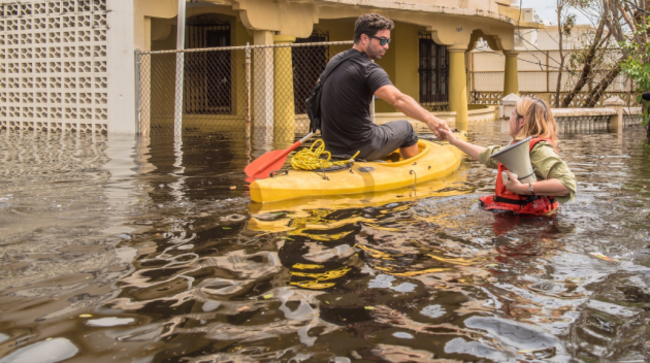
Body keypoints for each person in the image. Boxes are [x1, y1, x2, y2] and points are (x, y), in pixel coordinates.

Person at [320, 13, 452, 161]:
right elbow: (398, 100)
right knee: (407, 128)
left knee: (377, 126)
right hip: (361, 147)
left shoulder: (334, 62)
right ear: (364, 38)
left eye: (388, 40)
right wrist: (431, 120)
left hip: (331, 147)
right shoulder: (368, 69)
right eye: (382, 40)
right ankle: (411, 169)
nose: (387, 46)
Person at [439, 96, 577, 216]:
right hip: (523, 220)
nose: (509, 120)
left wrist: (522, 189)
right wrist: (454, 141)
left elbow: (567, 184)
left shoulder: (540, 149)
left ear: (522, 121)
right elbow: (489, 156)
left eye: (512, 115)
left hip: (534, 224)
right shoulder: (519, 146)